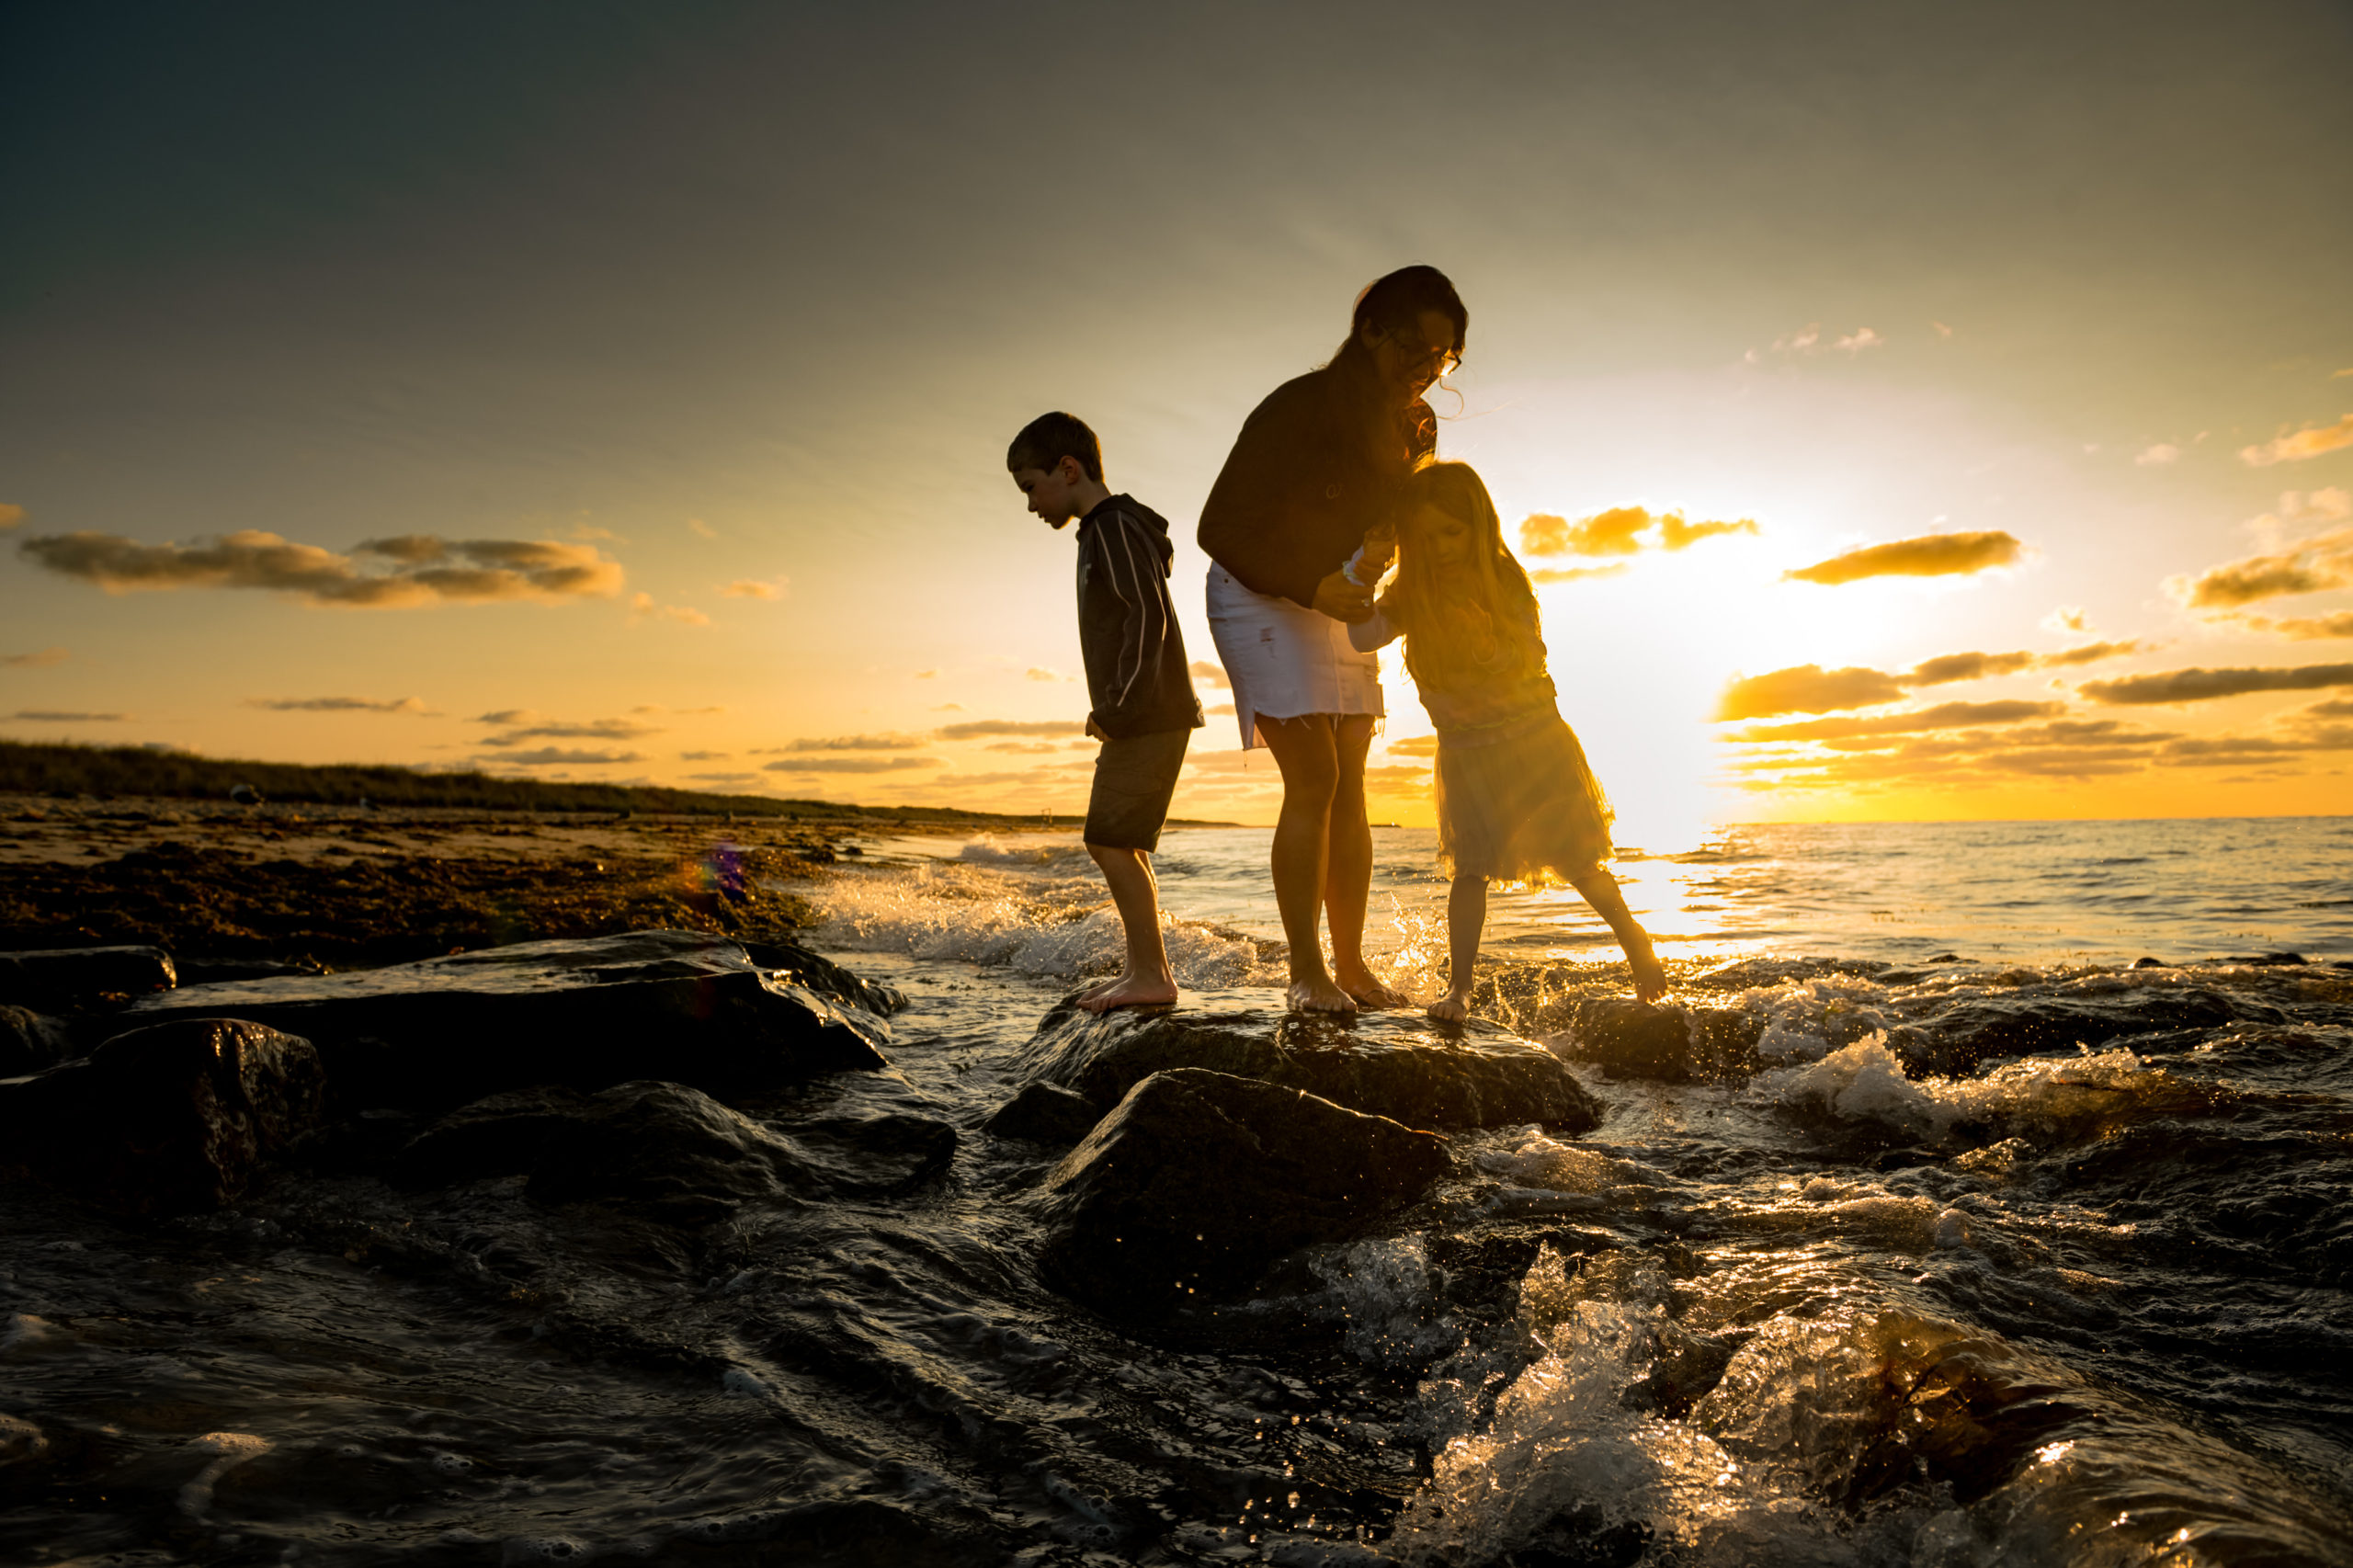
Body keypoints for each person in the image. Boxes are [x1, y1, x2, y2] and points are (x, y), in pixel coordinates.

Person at [1197, 265, 1466, 1013]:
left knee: (1352, 783)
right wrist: (1310, 583)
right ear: (1371, 330)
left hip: (1343, 596)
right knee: (1313, 778)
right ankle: (1305, 974)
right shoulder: (1297, 406)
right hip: (1260, 593)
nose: (1428, 373)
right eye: (1416, 351)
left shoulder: (1417, 425)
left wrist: (1386, 561)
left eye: (1443, 360)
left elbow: (1402, 521)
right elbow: (1219, 527)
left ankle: (1352, 966)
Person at [1349, 461, 1669, 1019]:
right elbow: (1363, 636)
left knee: (1579, 861)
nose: (1442, 546)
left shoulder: (1504, 580)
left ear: (1479, 525)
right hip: (1468, 753)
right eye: (1426, 536)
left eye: (1453, 531)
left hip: (1534, 742)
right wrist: (1361, 573)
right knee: (1469, 868)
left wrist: (1484, 644)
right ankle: (1460, 988)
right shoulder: (1413, 591)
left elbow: (1531, 658)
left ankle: (1632, 937)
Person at [1007, 412, 1205, 1012]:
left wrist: (1119, 707)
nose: (1031, 503)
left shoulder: (1114, 526)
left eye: (1030, 485)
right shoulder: (1106, 529)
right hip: (1148, 711)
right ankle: (1144, 970)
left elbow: (1148, 617)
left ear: (1068, 469)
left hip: (1149, 713)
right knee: (1123, 842)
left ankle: (1152, 975)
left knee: (1109, 840)